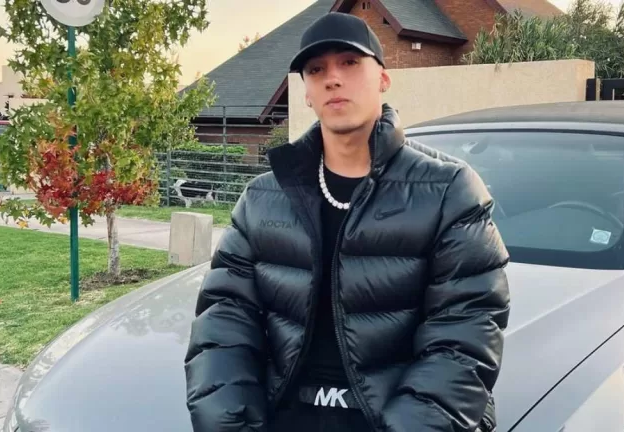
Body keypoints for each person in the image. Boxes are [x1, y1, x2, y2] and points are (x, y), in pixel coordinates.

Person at [183, 12, 511, 432]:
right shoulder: (262, 198)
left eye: (350, 62)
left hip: (391, 419)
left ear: (384, 78)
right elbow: (224, 322)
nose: (333, 79)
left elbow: (465, 336)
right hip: (281, 414)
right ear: (306, 93)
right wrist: (231, 423)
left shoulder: (448, 191)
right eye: (316, 70)